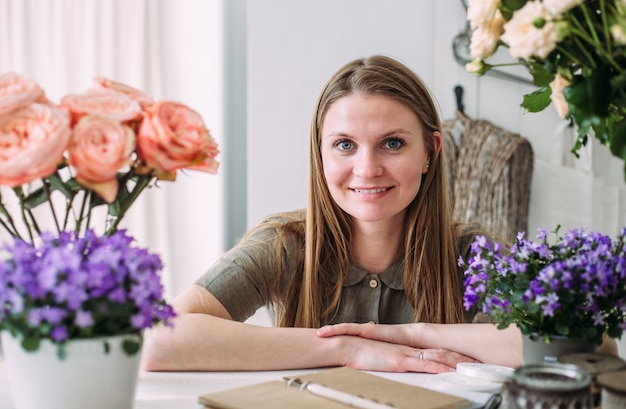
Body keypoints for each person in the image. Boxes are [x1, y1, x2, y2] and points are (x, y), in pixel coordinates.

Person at [141, 55, 617, 373]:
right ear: (320, 155)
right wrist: (347, 348)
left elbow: (593, 348)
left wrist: (411, 334)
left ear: (430, 151)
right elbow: (159, 341)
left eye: (392, 143)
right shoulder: (283, 243)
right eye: (345, 145)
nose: (367, 169)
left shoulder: (473, 253)